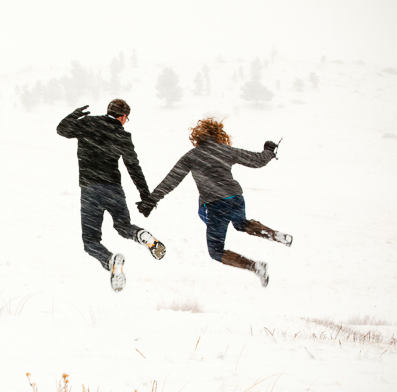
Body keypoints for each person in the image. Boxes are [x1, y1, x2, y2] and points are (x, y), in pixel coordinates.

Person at [137, 116, 292, 287]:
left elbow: (171, 180)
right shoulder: (225, 150)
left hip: (215, 202)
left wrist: (151, 200)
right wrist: (269, 151)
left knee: (216, 250)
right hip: (235, 197)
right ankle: (273, 234)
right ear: (219, 134)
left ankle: (255, 266)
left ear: (197, 136)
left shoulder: (192, 156)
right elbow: (256, 161)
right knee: (241, 224)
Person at [57, 99, 165, 292]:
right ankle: (142, 235)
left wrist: (75, 114)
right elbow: (134, 167)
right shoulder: (122, 135)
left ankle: (110, 260)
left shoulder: (88, 124)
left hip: (90, 190)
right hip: (113, 189)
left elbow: (61, 129)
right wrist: (145, 196)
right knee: (124, 226)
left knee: (90, 241)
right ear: (123, 117)